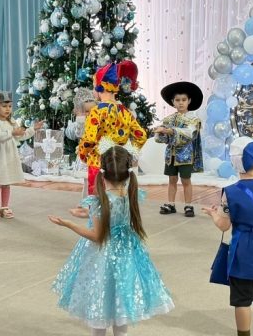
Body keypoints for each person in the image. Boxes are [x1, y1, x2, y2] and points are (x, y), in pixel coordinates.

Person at [50, 144, 173, 336]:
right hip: (126, 256)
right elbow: (114, 215)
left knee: (100, 304)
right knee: (120, 304)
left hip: (102, 259)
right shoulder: (130, 194)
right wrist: (88, 214)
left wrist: (69, 224)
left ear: (102, 174)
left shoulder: (99, 202)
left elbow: (97, 236)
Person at [202, 137, 253, 336]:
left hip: (241, 251)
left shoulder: (229, 192)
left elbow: (224, 225)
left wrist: (213, 214)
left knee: (242, 301)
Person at [78, 61, 147, 195]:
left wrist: (82, 154)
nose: (93, 90)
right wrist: (128, 154)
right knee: (117, 196)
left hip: (98, 163)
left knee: (98, 199)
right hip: (118, 164)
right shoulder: (125, 111)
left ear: (100, 87)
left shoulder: (96, 111)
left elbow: (89, 140)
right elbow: (142, 136)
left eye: (94, 86)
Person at [0, 91, 41, 219]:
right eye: (4, 106)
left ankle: (5, 207)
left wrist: (32, 129)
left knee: (6, 182)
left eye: (9, 106)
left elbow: (21, 135)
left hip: (9, 156)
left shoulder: (12, 122)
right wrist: (12, 133)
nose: (7, 109)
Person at [155, 81, 203, 217]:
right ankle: (171, 204)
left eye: (183, 100)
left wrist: (171, 131)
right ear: (173, 102)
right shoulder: (168, 119)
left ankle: (188, 205)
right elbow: (163, 139)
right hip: (171, 155)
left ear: (189, 101)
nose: (181, 103)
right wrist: (160, 132)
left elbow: (189, 134)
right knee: (172, 179)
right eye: (177, 100)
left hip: (185, 156)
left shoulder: (194, 119)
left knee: (186, 180)